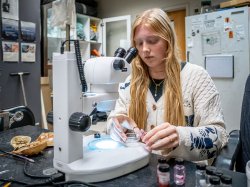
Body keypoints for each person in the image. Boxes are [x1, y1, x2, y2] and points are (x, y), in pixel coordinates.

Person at [106, 8, 228, 162]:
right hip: (140, 168)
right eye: (139, 43)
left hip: (183, 172)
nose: (145, 49)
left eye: (152, 41)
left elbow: (220, 135)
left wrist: (181, 137)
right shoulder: (130, 82)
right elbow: (113, 120)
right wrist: (116, 126)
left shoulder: (197, 77)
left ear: (168, 41)